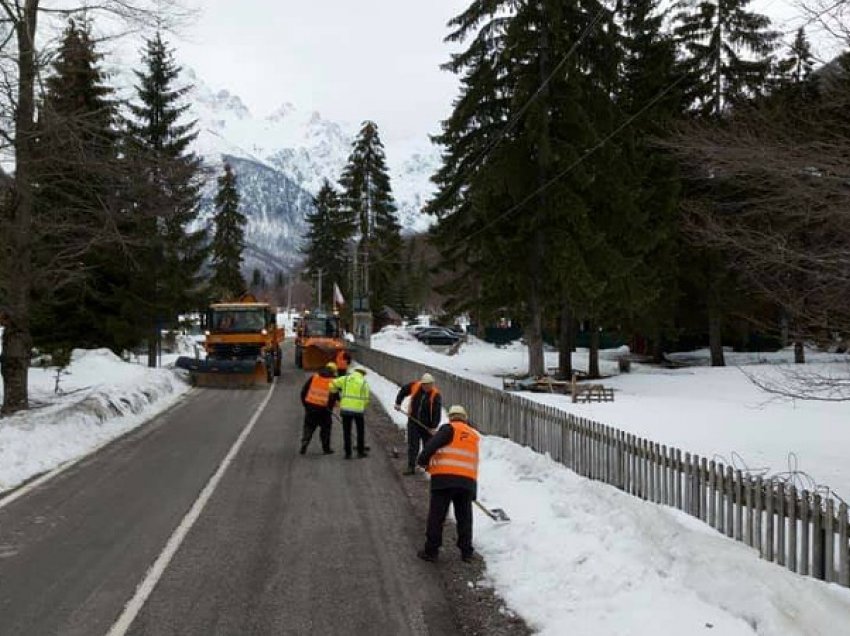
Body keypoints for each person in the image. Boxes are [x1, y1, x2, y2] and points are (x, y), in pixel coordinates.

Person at [416, 404, 480, 563]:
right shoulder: (473, 436)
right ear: (465, 419)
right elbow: (473, 462)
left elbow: (431, 445)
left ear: (451, 417)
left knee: (437, 516)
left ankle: (431, 551)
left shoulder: (448, 429)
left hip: (444, 480)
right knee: (464, 518)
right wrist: (473, 491)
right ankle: (466, 552)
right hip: (466, 482)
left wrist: (422, 460)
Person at [394, 373, 442, 476]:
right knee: (413, 445)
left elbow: (437, 413)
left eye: (430, 384)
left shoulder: (435, 395)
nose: (428, 387)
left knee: (428, 446)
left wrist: (433, 427)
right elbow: (403, 391)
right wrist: (398, 403)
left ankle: (426, 466)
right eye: (426, 384)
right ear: (422, 384)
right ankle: (411, 467)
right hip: (413, 422)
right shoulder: (414, 386)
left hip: (427, 426)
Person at [299, 362, 339, 455]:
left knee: (309, 427)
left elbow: (304, 391)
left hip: (311, 408)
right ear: (333, 371)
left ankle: (305, 443)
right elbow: (334, 397)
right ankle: (326, 448)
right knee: (325, 429)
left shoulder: (314, 377)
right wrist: (330, 407)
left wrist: (306, 405)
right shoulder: (333, 381)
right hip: (324, 410)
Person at [331, 367, 370, 459]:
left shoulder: (345, 379)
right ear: (363, 374)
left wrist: (336, 394)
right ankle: (360, 452)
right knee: (360, 431)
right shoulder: (364, 383)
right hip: (358, 411)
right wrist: (362, 406)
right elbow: (366, 399)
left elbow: (332, 384)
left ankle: (348, 453)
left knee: (347, 431)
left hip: (346, 410)